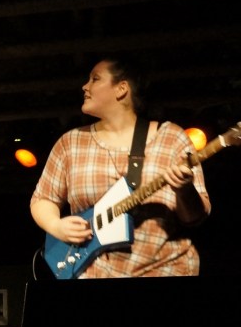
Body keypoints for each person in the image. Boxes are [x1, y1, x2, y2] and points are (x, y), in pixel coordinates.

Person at [30, 55, 211, 278]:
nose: (85, 86)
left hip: (165, 271)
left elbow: (195, 217)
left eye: (95, 79)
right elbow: (43, 199)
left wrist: (184, 189)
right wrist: (56, 226)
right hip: (94, 275)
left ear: (121, 89)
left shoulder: (171, 137)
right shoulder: (70, 142)